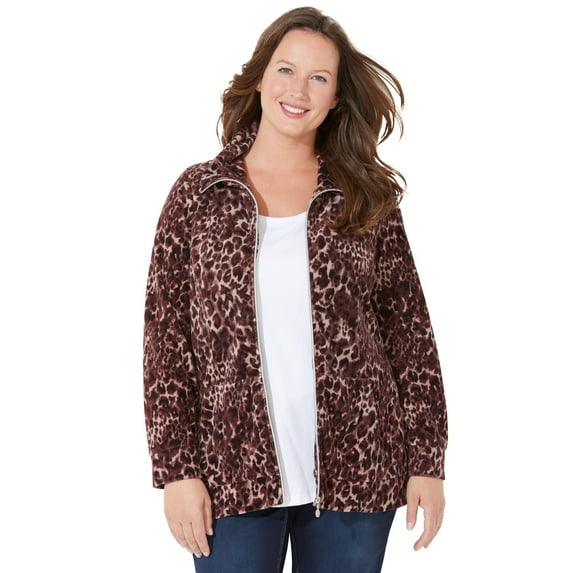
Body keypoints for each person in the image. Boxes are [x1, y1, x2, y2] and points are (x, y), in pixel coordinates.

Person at [143, 6, 448, 572]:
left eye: (319, 78)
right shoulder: (199, 194)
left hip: (359, 467)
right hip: (230, 470)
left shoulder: (362, 196)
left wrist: (427, 460)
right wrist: (177, 470)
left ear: (335, 98)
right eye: (286, 70)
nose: (298, 91)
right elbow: (165, 341)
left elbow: (409, 332)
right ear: (260, 77)